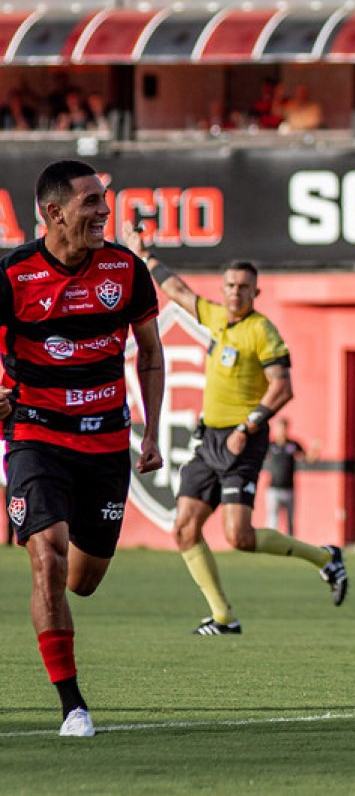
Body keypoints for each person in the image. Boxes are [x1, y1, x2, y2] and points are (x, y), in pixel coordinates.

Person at [121, 224, 348, 635]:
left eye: (244, 287)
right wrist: (144, 255)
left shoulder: (262, 331)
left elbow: (284, 388)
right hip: (209, 438)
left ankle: (325, 557)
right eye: (230, 285)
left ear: (256, 293)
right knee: (184, 528)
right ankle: (223, 616)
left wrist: (249, 425)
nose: (235, 292)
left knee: (238, 536)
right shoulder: (215, 317)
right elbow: (177, 291)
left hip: (242, 438)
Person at [3, 160, 165, 737]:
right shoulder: (13, 275)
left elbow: (149, 351)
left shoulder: (126, 270)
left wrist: (150, 432)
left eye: (104, 202)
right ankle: (72, 705)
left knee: (82, 579)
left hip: (105, 444)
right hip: (34, 436)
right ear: (54, 213)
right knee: (47, 555)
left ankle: (58, 613)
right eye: (91, 202)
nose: (104, 211)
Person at [263, 416, 319, 537]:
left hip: (289, 488)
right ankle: (271, 544)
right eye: (279, 428)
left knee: (290, 521)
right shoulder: (270, 446)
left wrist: (315, 450)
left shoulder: (293, 445)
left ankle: (291, 546)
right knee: (272, 519)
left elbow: (308, 459)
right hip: (273, 489)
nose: (281, 431)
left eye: (283, 428)